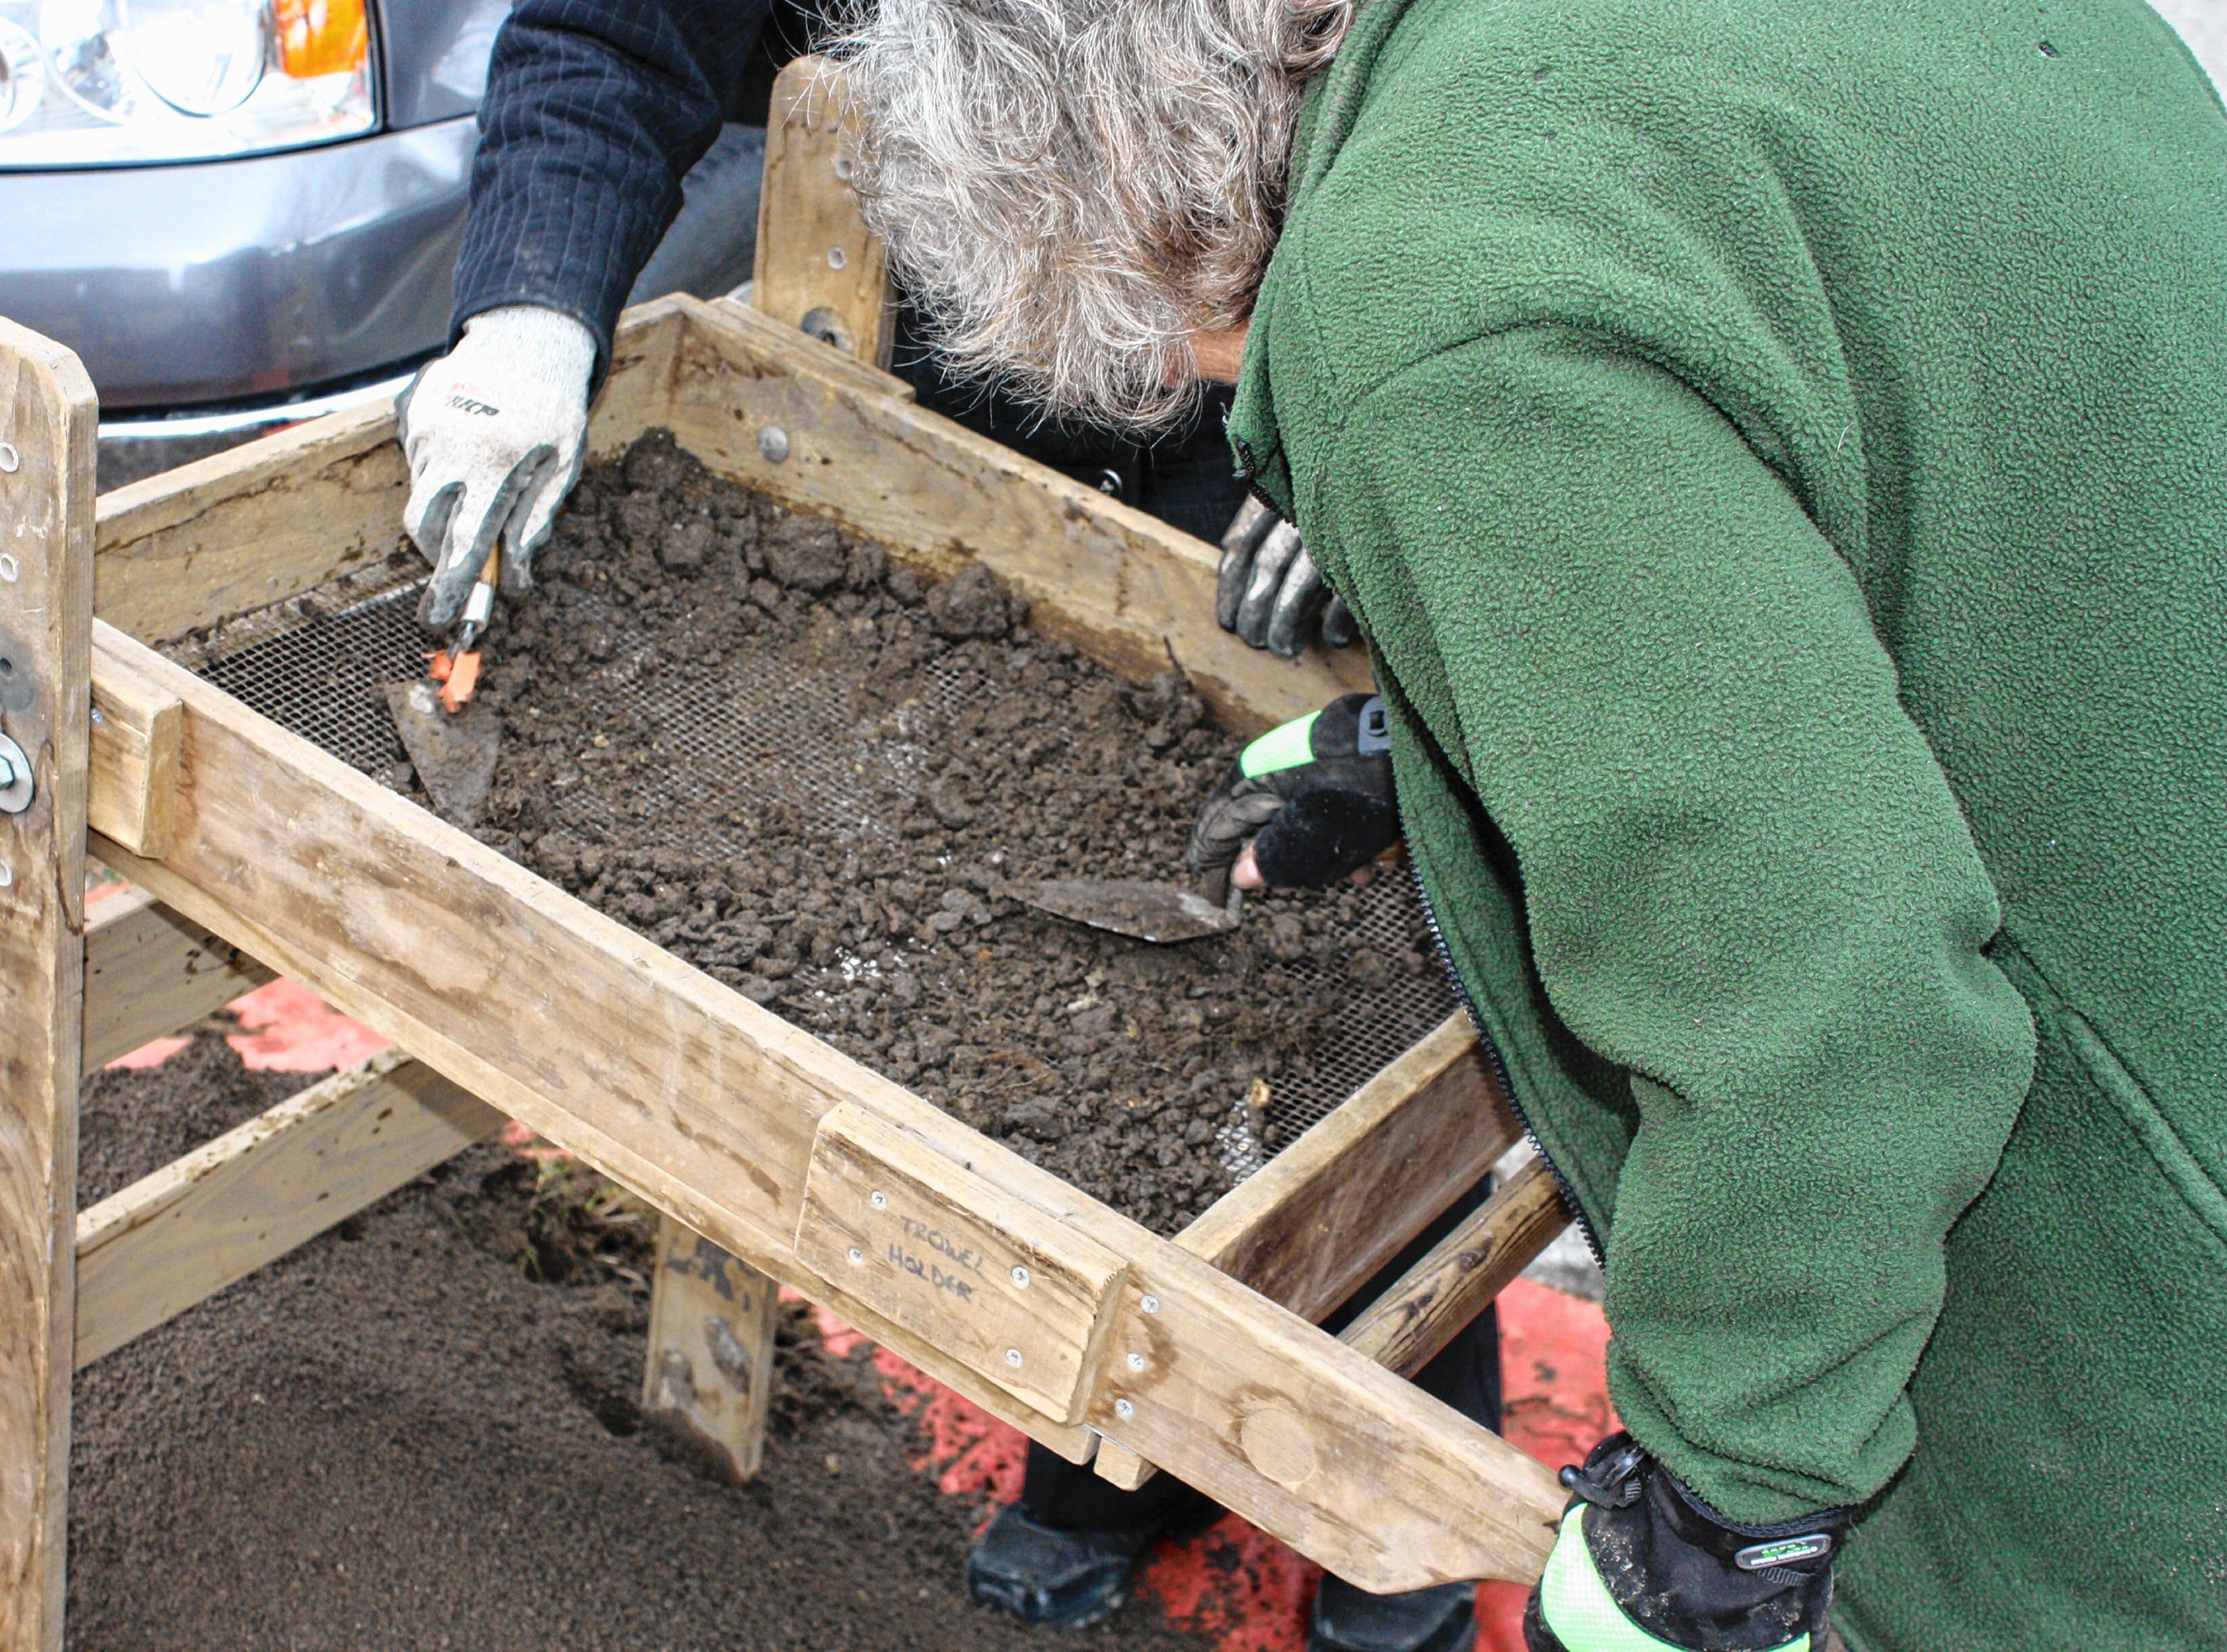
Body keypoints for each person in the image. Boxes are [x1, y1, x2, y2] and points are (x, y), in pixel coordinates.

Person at [836, 2, 2227, 1650]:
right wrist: (1437, 743)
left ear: (1138, 223)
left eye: (1151, 358)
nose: (1184, 394)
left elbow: (1838, 1008)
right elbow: (1845, 486)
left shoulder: (1428, 304)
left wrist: (1733, 1506)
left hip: (2145, 1274)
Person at [398, 6, 1481, 1649]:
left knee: (1352, 943)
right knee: (1084, 964)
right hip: (1011, 346)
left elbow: (1488, 130)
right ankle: (1121, 1462)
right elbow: (613, 35)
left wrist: (1368, 419)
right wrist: (529, 321)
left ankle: (1402, 1489)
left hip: (1297, 415)